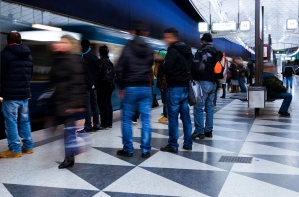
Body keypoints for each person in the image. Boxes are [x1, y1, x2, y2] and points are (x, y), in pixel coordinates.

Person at [115, 21, 153, 158]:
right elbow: (150, 66)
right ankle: (145, 150)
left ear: (133, 31)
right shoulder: (149, 48)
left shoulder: (127, 47)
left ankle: (128, 149)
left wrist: (121, 86)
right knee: (146, 120)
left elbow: (119, 68)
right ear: (144, 32)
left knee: (126, 120)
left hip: (130, 88)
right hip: (145, 88)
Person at [50, 35, 88, 169]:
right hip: (63, 100)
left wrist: (75, 104)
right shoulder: (62, 59)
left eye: (63, 42)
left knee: (68, 131)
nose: (60, 43)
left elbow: (77, 83)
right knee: (66, 130)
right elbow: (54, 78)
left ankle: (69, 157)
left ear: (70, 45)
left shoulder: (72, 60)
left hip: (69, 102)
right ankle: (71, 153)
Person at [0, 31, 34, 158]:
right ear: (21, 42)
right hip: (24, 94)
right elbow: (30, 74)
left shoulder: (5, 54)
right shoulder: (29, 56)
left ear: (7, 41)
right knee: (25, 121)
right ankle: (28, 146)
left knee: (11, 122)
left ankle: (15, 149)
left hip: (10, 95)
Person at [160, 28, 193, 152]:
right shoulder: (187, 50)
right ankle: (188, 143)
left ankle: (173, 145)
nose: (165, 40)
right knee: (186, 116)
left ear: (172, 37)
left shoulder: (172, 50)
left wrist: (163, 65)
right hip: (185, 87)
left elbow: (167, 69)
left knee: (173, 117)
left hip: (174, 88)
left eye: (167, 37)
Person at [191, 33, 222, 139]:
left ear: (202, 42)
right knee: (209, 108)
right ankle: (208, 131)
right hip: (214, 83)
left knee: (198, 107)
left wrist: (194, 78)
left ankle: (199, 131)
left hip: (204, 82)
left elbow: (196, 67)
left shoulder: (201, 52)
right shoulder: (217, 53)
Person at [78, 39, 101, 132]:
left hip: (85, 85)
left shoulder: (83, 58)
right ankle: (97, 124)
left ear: (82, 46)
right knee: (95, 104)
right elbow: (99, 71)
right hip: (94, 85)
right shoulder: (94, 57)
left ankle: (88, 125)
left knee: (87, 105)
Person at [97, 45, 115, 129]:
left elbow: (98, 74)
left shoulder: (100, 62)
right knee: (108, 104)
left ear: (100, 53)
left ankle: (105, 124)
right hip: (110, 86)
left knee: (103, 105)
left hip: (102, 86)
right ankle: (110, 123)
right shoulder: (110, 62)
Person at [154, 49, 168, 122]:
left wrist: (162, 86)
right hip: (164, 85)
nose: (158, 56)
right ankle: (166, 114)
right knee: (165, 100)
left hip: (164, 85)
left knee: (165, 100)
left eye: (159, 55)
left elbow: (163, 77)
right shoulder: (164, 64)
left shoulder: (162, 65)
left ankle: (166, 115)